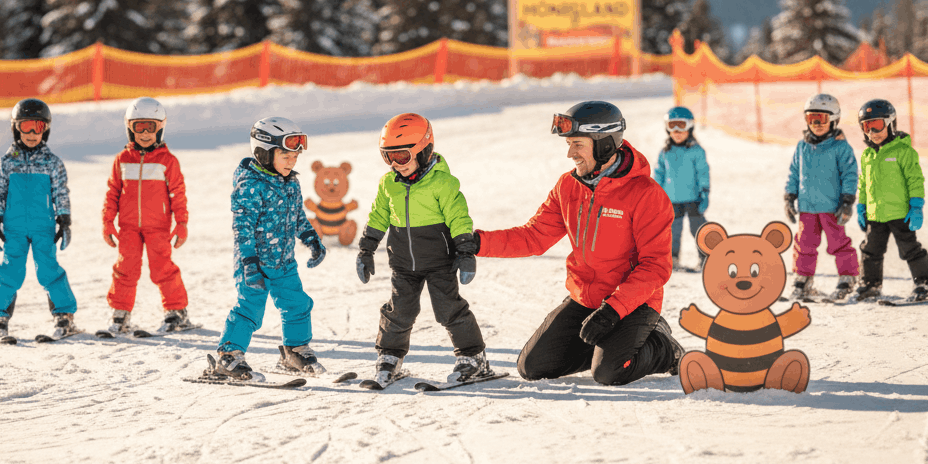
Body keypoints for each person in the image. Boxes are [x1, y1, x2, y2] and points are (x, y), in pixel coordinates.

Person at [472, 101, 683, 385]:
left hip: (633, 302)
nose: (570, 154)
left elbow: (656, 267)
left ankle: (663, 347)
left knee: (609, 372)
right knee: (533, 367)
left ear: (605, 144)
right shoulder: (568, 187)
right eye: (569, 145)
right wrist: (477, 243)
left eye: (578, 145)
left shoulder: (646, 194)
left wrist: (614, 309)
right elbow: (533, 237)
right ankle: (606, 346)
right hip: (587, 299)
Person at [355, 113, 489, 387]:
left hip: (440, 262)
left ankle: (473, 357)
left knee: (449, 310)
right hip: (403, 263)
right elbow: (378, 217)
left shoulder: (443, 183)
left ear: (424, 150)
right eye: (387, 157)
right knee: (399, 311)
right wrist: (366, 249)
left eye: (402, 157)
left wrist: (465, 252)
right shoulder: (388, 184)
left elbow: (458, 218)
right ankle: (390, 357)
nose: (395, 164)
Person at [210, 117, 328, 379]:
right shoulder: (250, 185)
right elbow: (242, 228)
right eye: (285, 155)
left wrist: (310, 238)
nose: (292, 161)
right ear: (263, 153)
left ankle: (294, 351)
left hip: (283, 262)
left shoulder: (291, 182)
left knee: (297, 304)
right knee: (250, 308)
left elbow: (297, 215)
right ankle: (229, 355)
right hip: (253, 262)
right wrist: (248, 261)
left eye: (295, 156)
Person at [0, 99, 79, 342]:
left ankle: (64, 316)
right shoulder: (6, 163)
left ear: (45, 129)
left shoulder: (53, 163)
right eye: (26, 127)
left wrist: (64, 219)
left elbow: (61, 192)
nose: (31, 134)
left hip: (43, 226)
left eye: (37, 127)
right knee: (10, 270)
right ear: (16, 128)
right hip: (14, 227)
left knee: (48, 270)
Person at [100, 97, 192, 335]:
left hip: (158, 227)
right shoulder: (122, 160)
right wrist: (108, 222)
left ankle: (176, 312)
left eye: (150, 126)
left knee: (162, 269)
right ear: (129, 128)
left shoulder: (167, 161)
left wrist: (181, 223)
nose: (144, 133)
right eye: (138, 126)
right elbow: (112, 192)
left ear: (160, 128)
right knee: (125, 269)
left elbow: (178, 194)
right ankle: (120, 315)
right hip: (128, 227)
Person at [855, 99, 928, 302]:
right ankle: (870, 285)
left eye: (877, 125)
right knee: (870, 250)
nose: (873, 132)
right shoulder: (867, 155)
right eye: (867, 126)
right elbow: (863, 183)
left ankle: (926, 284)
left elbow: (915, 180)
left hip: (900, 212)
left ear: (890, 124)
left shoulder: (904, 152)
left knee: (910, 249)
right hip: (875, 214)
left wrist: (916, 206)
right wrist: (861, 206)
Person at [783, 93, 860, 301]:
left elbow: (850, 175)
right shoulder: (802, 146)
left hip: (831, 207)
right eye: (811, 119)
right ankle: (803, 281)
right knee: (804, 244)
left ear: (834, 120)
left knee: (839, 244)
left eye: (822, 119)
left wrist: (847, 201)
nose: (816, 124)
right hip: (807, 207)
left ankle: (848, 278)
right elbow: (794, 172)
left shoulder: (841, 147)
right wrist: (789, 197)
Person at [652, 106, 710, 271]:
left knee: (698, 229)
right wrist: (657, 195)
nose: (677, 131)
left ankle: (705, 258)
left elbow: (703, 172)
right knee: (672, 231)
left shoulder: (696, 151)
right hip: (672, 199)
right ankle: (673, 259)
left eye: (681, 126)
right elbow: (659, 174)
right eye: (672, 126)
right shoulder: (665, 152)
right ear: (667, 128)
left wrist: (704, 192)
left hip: (693, 198)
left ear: (690, 127)